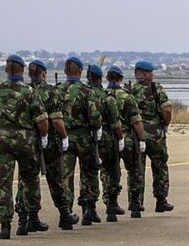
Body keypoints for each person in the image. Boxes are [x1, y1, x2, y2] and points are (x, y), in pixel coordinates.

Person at [0, 54, 49, 240]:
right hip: (25, 139)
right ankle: (30, 218)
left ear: (5, 69)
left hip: (2, 138)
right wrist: (43, 137)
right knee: (30, 180)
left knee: (4, 183)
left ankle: (5, 225)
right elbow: (42, 120)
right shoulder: (29, 91)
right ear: (22, 69)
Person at [19, 58, 73, 231]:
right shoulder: (50, 91)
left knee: (26, 180)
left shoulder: (23, 91)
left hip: (26, 141)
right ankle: (65, 215)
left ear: (29, 73)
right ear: (44, 73)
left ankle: (25, 219)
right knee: (56, 178)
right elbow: (57, 120)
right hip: (47, 141)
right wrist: (64, 137)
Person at [59, 56, 103, 225]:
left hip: (65, 137)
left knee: (65, 175)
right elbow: (95, 117)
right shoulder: (87, 92)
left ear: (65, 71)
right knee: (89, 173)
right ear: (80, 72)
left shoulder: (58, 90)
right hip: (85, 138)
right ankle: (89, 209)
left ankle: (66, 212)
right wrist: (97, 128)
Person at [127, 60, 174, 212]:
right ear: (144, 73)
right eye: (150, 72)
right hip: (155, 136)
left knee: (136, 169)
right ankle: (161, 200)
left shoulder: (129, 91)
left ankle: (136, 204)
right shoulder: (156, 89)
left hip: (136, 134)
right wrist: (165, 124)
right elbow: (167, 110)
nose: (152, 75)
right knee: (160, 167)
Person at [104, 65, 146, 220]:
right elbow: (136, 121)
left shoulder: (102, 95)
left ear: (107, 78)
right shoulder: (127, 97)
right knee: (134, 170)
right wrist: (142, 139)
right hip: (127, 138)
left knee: (110, 172)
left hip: (108, 139)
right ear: (120, 79)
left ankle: (111, 206)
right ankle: (135, 203)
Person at [87, 64, 124, 221]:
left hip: (88, 140)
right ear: (100, 78)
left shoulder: (85, 94)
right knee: (112, 172)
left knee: (89, 174)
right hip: (108, 141)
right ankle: (111, 206)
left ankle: (89, 210)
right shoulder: (107, 97)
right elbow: (115, 124)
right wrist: (120, 138)